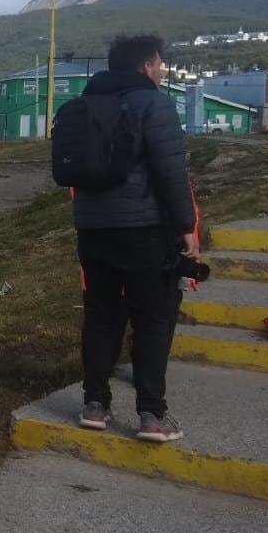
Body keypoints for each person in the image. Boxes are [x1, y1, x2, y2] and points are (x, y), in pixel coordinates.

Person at [73, 34, 197, 444]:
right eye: (159, 64)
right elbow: (171, 174)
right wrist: (185, 228)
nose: (162, 70)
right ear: (146, 66)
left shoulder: (85, 104)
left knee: (101, 316)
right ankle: (152, 415)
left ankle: (94, 405)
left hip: (92, 230)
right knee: (152, 320)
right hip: (144, 231)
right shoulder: (155, 105)